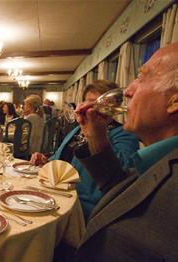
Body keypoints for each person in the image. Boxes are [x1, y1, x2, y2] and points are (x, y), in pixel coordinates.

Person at [73, 43, 178, 260]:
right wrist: (97, 135)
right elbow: (121, 190)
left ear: (174, 101)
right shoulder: (156, 159)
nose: (128, 90)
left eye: (142, 77)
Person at [32, 80, 139, 220]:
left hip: (83, 208)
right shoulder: (78, 129)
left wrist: (96, 134)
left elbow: (121, 176)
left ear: (114, 105)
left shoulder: (123, 133)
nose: (93, 108)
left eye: (100, 103)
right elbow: (60, 158)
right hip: (56, 196)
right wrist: (46, 160)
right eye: (89, 102)